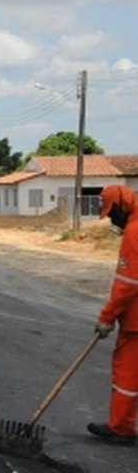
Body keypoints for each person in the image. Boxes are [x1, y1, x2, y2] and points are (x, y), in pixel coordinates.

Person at [91, 185, 138, 444]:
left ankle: (121, 427)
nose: (111, 219)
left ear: (121, 206)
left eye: (112, 213)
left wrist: (107, 317)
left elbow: (127, 284)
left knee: (128, 376)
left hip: (136, 322)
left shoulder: (134, 232)